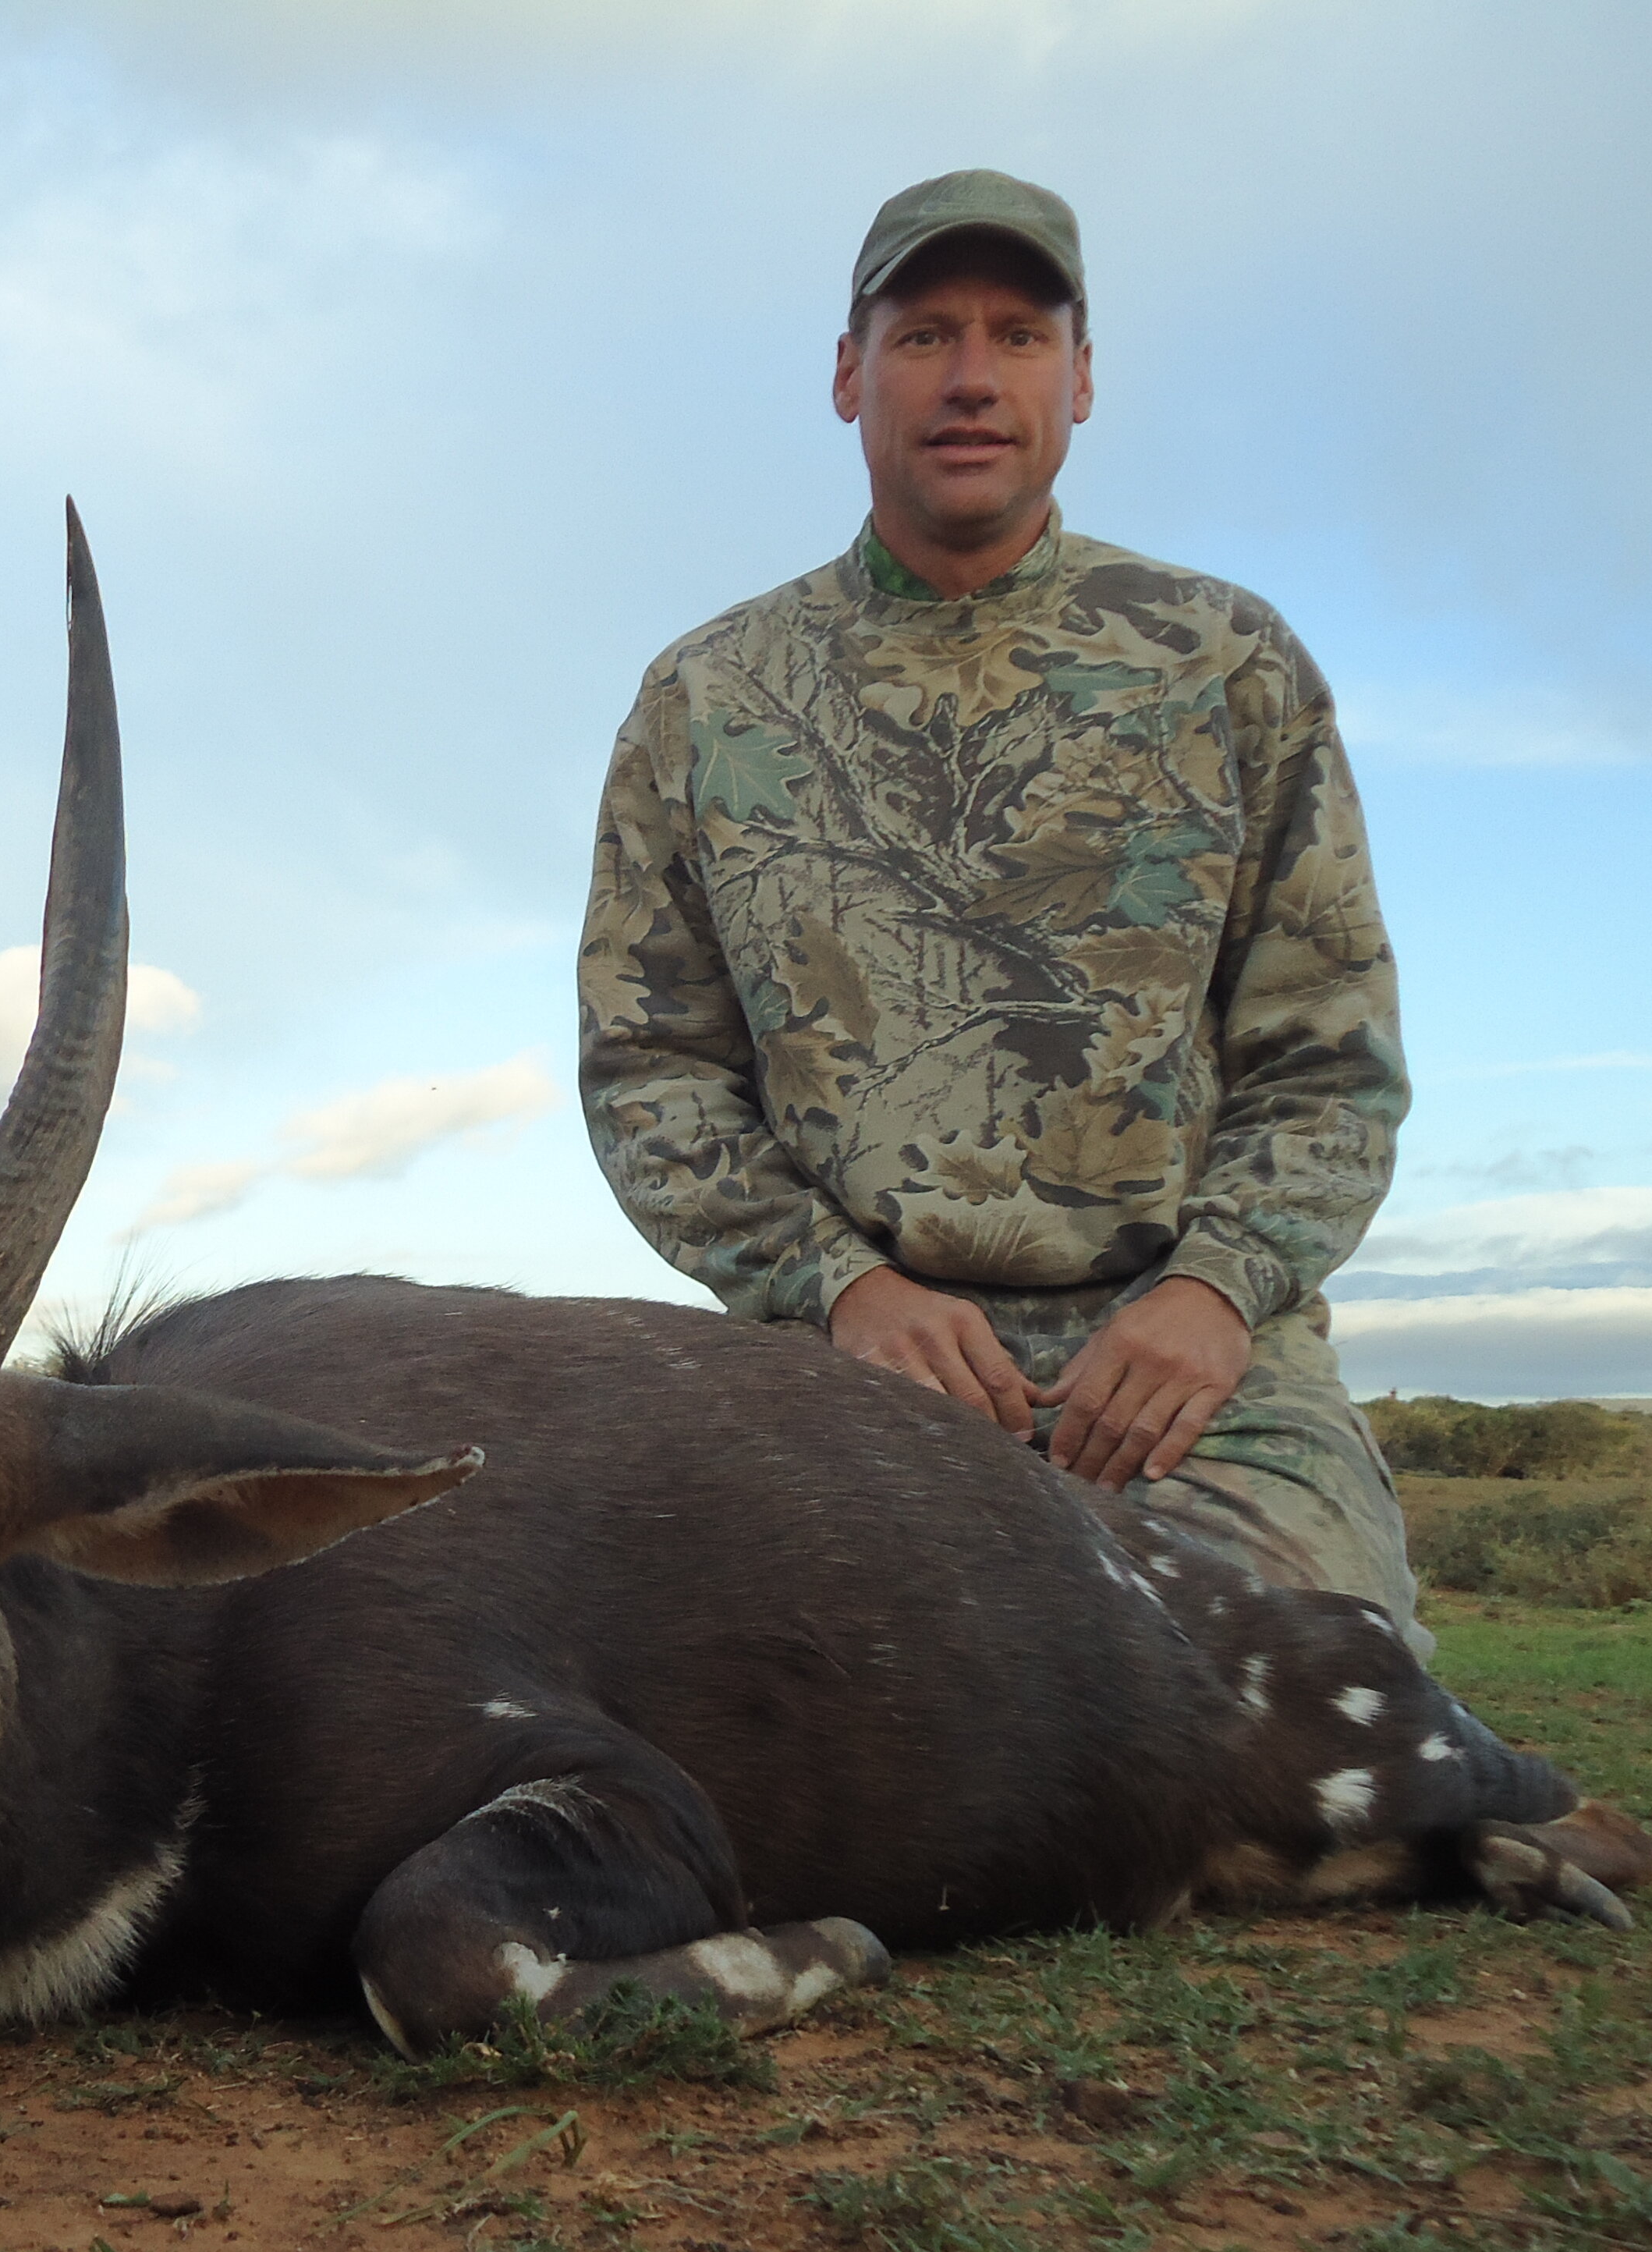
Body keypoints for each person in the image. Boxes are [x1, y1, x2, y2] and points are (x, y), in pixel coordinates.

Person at [580, 168, 1423, 1639]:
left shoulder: (1227, 662)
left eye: (1020, 335)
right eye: (924, 335)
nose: (973, 379)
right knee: (801, 1698)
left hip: (1184, 1371)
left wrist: (1215, 1296)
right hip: (850, 1367)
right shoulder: (704, 699)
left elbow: (1328, 1062)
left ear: (1082, 378)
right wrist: (835, 1290)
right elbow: (651, 1075)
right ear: (850, 375)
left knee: (1258, 1686)